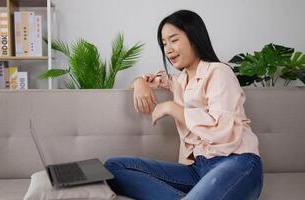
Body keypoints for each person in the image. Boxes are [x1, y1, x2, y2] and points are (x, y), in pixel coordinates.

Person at [104, 10, 263, 200]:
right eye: (164, 44)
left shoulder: (219, 72)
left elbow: (223, 130)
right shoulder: (181, 81)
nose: (168, 49)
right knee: (113, 167)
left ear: (194, 38)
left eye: (174, 40)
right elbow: (151, 80)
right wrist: (139, 82)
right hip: (198, 170)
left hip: (237, 163)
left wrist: (171, 107)